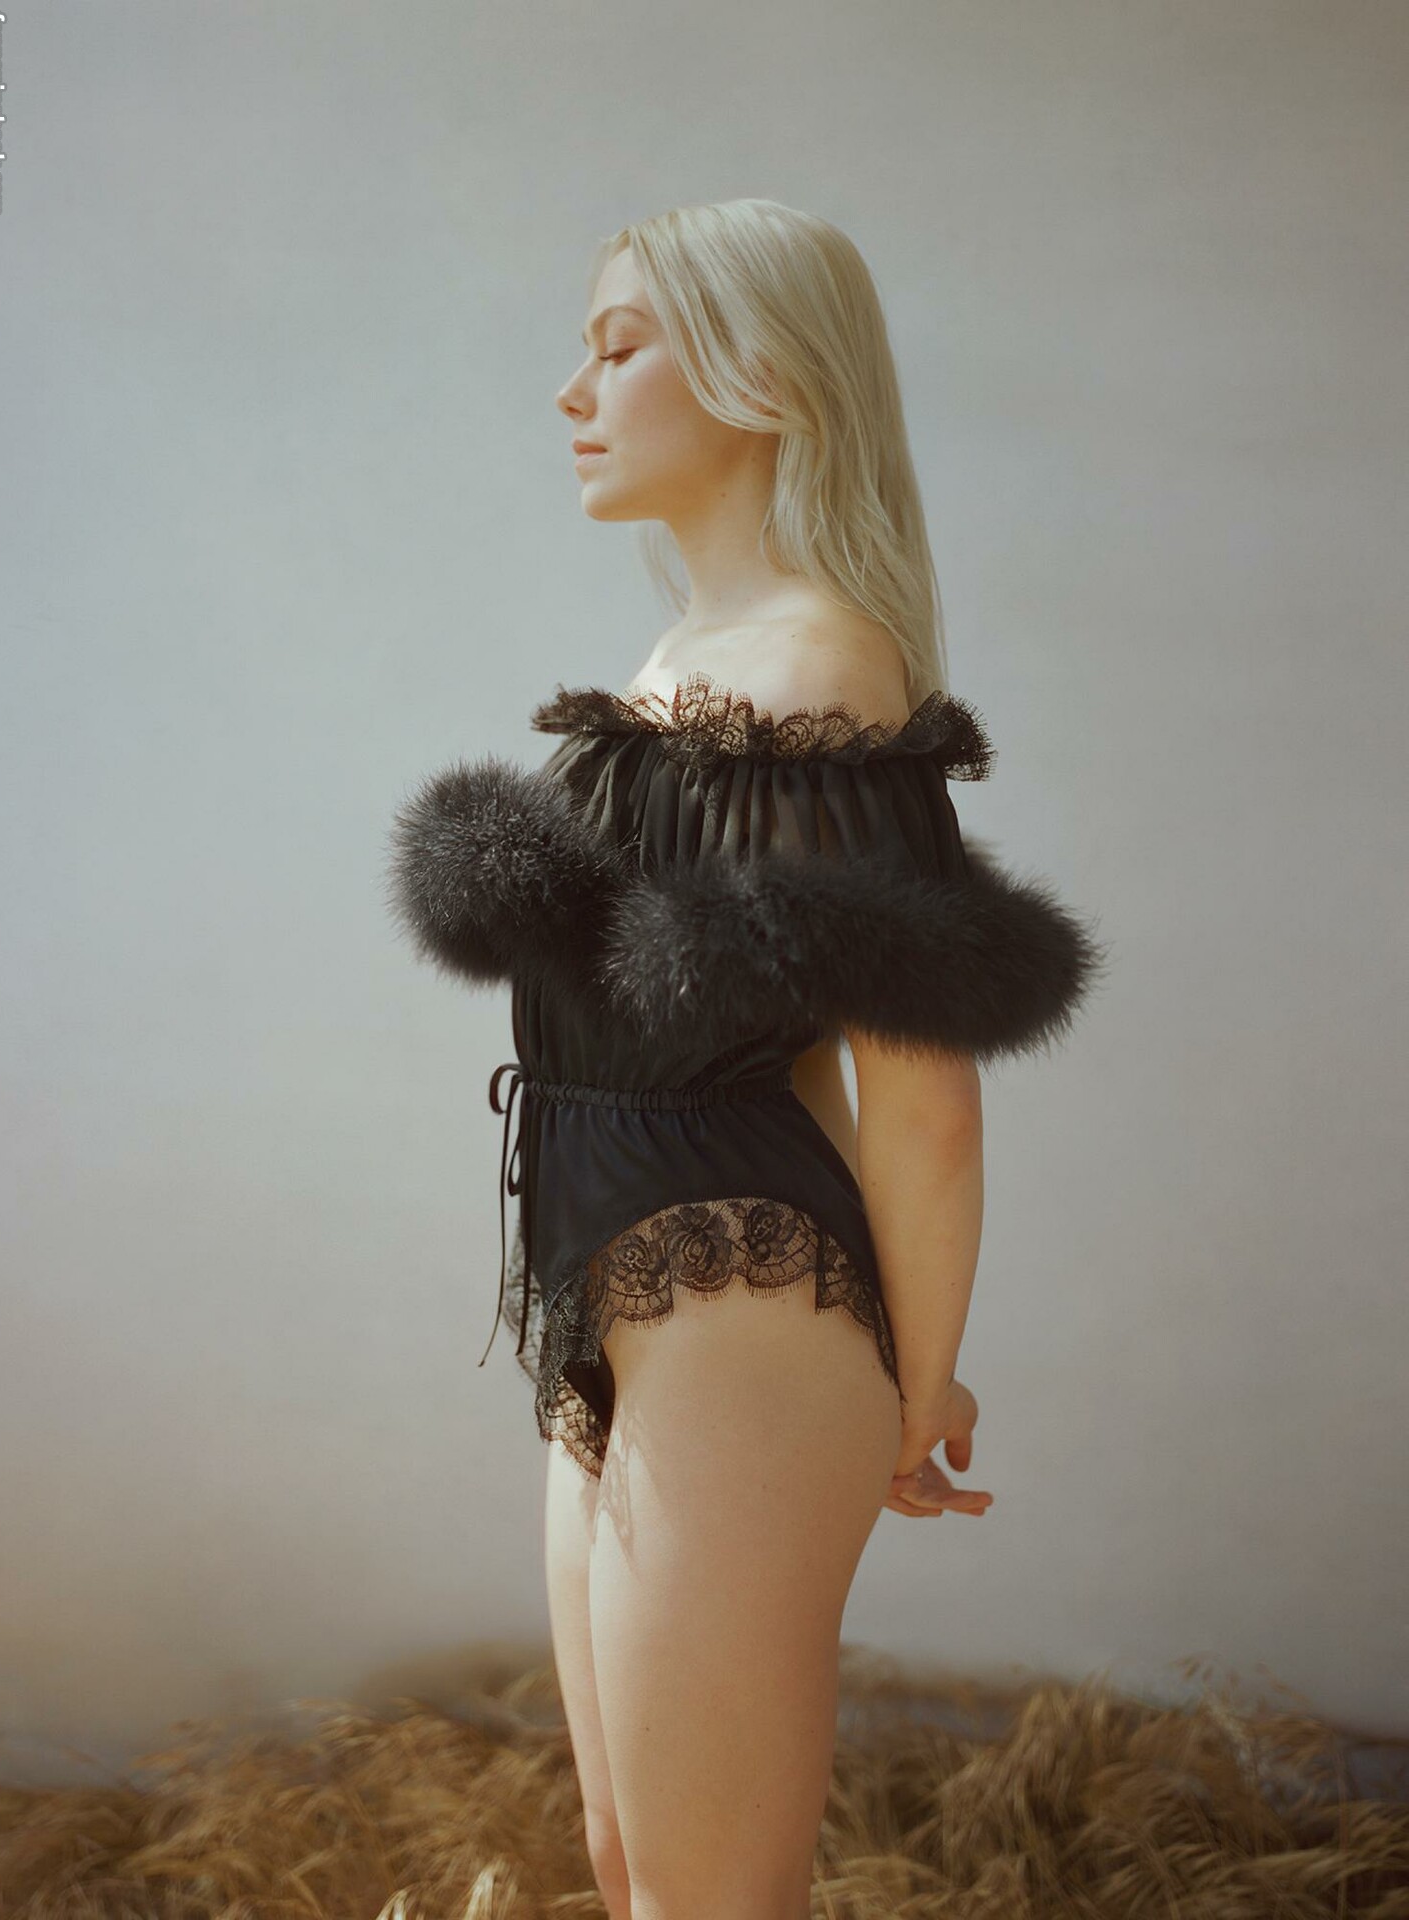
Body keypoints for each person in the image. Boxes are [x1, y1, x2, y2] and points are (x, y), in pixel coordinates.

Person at [387, 198, 1107, 1920]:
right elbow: (784, 1053)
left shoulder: (820, 671)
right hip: (616, 1292)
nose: (573, 390)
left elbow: (922, 1100)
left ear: (764, 379)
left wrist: (918, 1383)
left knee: (706, 1896)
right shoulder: (685, 663)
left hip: (736, 1318)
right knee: (631, 1862)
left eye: (620, 346)